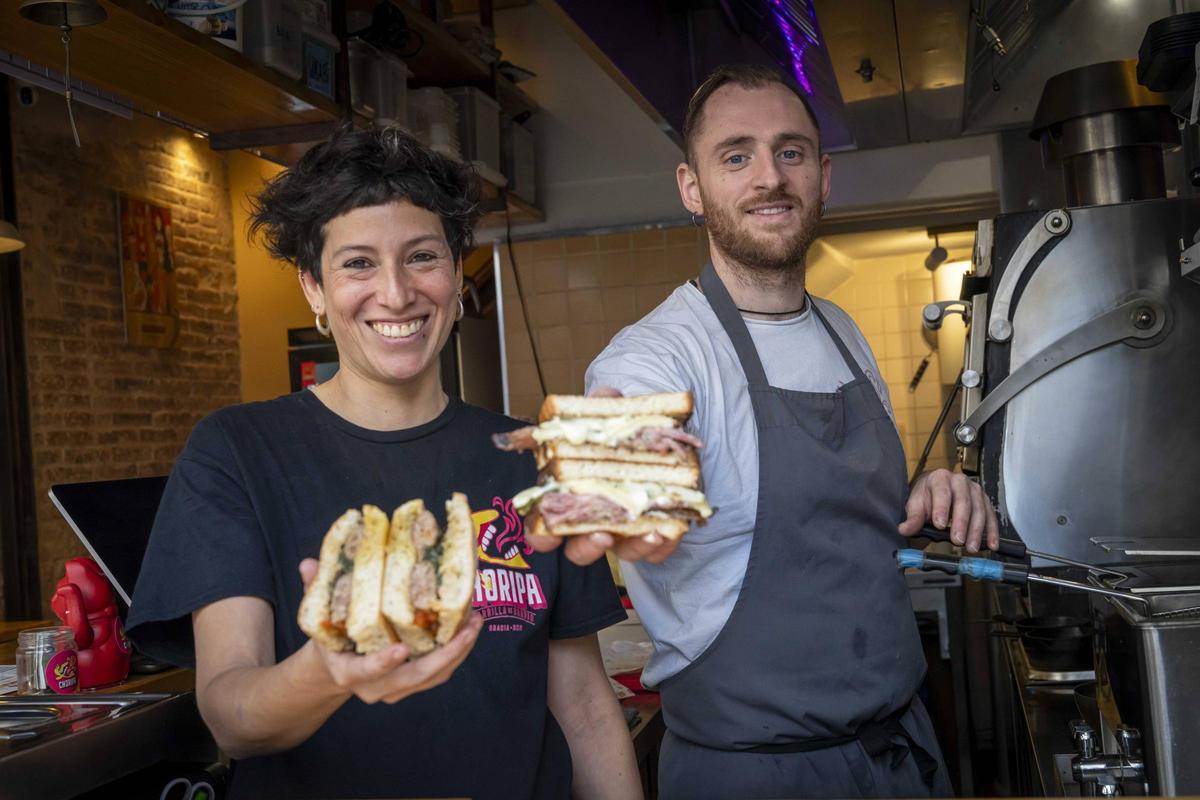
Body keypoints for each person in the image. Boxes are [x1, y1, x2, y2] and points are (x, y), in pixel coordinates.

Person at [126, 127, 641, 800]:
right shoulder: (238, 452)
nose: (396, 294)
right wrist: (328, 669)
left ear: (457, 275)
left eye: (421, 257)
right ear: (313, 288)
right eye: (358, 264)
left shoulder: (532, 461)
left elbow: (585, 708)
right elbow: (231, 718)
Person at [533, 65, 1002, 799]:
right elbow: (619, 456)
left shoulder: (842, 331)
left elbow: (840, 525)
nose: (769, 177)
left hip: (900, 751)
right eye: (736, 155)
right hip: (754, 772)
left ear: (824, 175)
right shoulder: (659, 354)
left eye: (791, 152)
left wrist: (927, 497)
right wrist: (617, 476)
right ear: (692, 187)